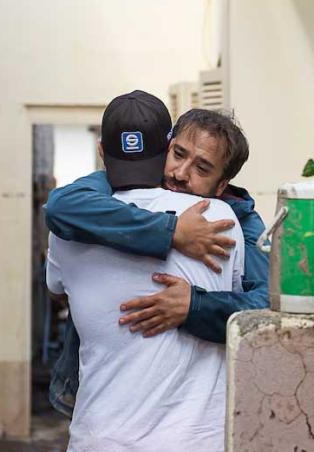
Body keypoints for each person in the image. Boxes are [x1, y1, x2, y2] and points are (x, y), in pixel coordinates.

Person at [47, 90, 243, 451]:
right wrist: (170, 232)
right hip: (194, 440)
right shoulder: (219, 220)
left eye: (200, 167)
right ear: (166, 146)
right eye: (179, 156)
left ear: (102, 151)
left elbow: (56, 288)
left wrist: (193, 306)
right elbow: (253, 309)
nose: (181, 174)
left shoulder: (67, 228)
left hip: (99, 439)